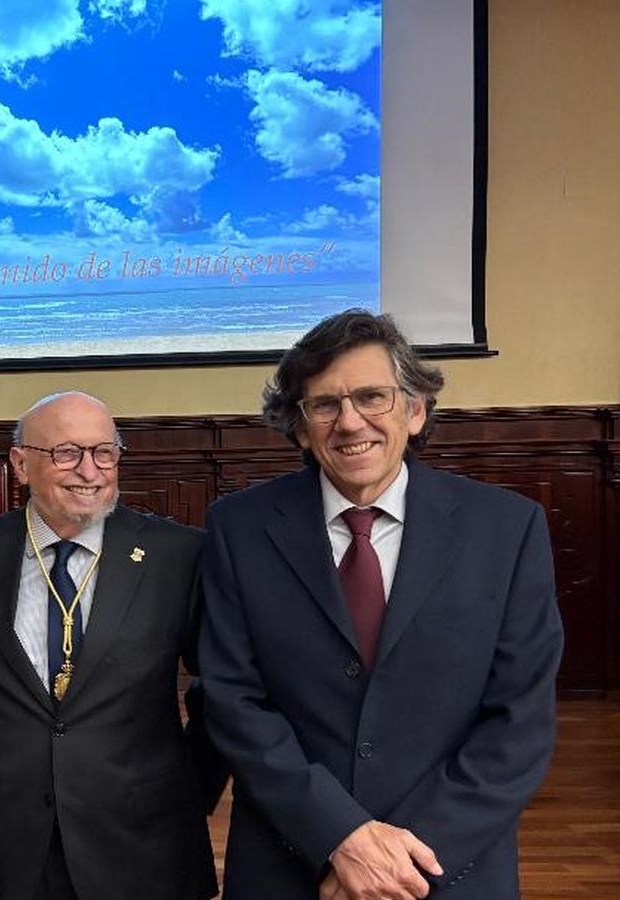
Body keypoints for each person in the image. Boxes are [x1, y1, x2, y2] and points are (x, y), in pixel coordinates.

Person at [199, 310, 563, 899]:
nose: (349, 423)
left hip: (446, 868)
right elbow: (232, 701)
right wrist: (339, 838)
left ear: (415, 411)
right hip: (292, 866)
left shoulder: (507, 528)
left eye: (373, 397)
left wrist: (398, 862)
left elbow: (519, 722)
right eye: (324, 405)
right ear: (299, 427)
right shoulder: (239, 529)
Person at [0, 391, 225, 900]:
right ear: (21, 464)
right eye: (67, 453)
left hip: (143, 835)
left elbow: (218, 686)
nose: (90, 470)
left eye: (104, 452)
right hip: (8, 834)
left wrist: (187, 785)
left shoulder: (177, 555)